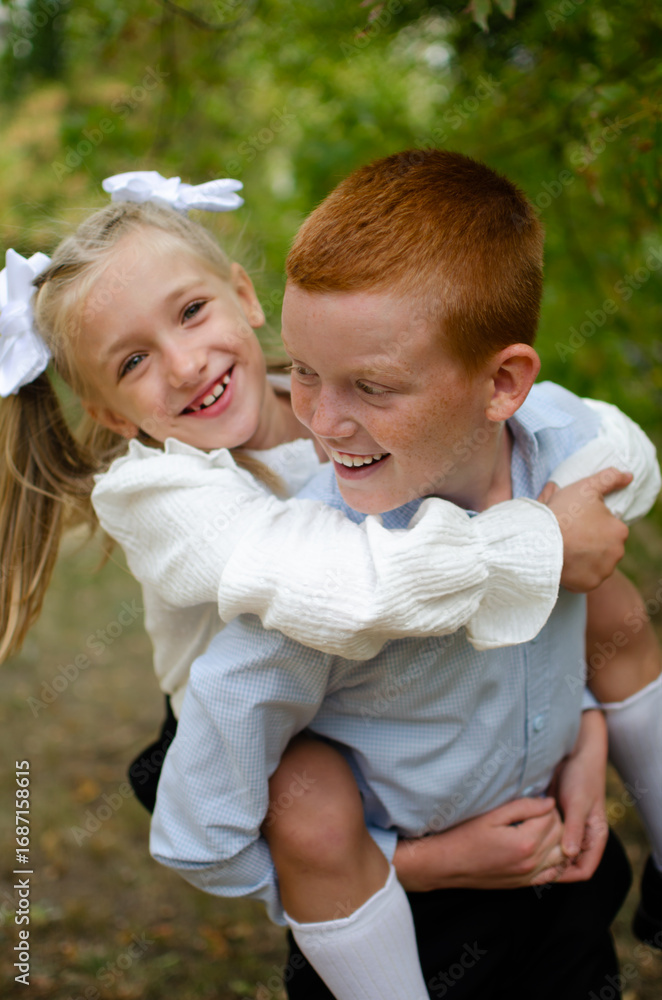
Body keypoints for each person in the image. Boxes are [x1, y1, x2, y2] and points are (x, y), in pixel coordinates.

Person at [0, 169, 653, 998]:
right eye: (133, 361)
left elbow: (563, 470)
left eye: (191, 311)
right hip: (256, 720)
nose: (186, 363)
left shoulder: (332, 401)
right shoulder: (159, 492)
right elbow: (341, 590)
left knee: (610, 602)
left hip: (385, 681)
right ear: (112, 415)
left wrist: (582, 723)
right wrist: (542, 544)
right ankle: (399, 874)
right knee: (309, 798)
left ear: (244, 296)